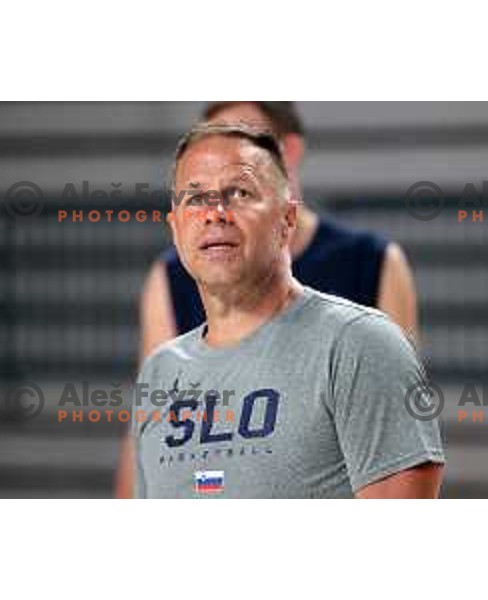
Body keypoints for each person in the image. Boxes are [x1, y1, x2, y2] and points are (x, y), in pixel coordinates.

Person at [127, 123, 444, 498]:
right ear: (175, 227)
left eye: (239, 193)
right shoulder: (160, 372)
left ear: (287, 219)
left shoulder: (360, 345)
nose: (215, 213)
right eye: (195, 199)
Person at [139, 102, 418, 366]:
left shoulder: (373, 261)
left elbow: (396, 395)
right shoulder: (171, 273)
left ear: (289, 150)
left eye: (245, 137)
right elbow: (158, 405)